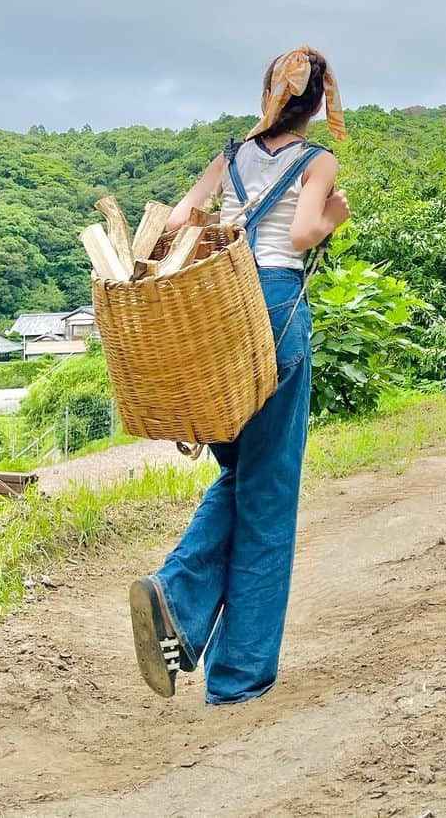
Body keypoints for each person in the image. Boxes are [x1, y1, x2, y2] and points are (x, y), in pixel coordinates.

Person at [128, 46, 350, 706]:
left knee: (240, 474)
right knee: (270, 490)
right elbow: (306, 230)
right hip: (276, 310)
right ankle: (237, 671)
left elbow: (175, 218)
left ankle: (180, 606)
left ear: (269, 95)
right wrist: (336, 212)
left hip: (221, 311)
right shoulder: (319, 161)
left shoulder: (232, 155)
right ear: (317, 105)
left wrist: (218, 216)